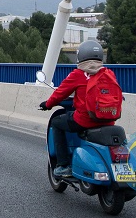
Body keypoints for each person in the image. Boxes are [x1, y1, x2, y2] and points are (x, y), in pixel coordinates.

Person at [39, 40, 117, 177]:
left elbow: (59, 93)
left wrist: (47, 104)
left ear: (80, 56)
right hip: (108, 120)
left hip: (85, 120)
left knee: (57, 122)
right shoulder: (108, 74)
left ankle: (63, 165)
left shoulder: (78, 74)